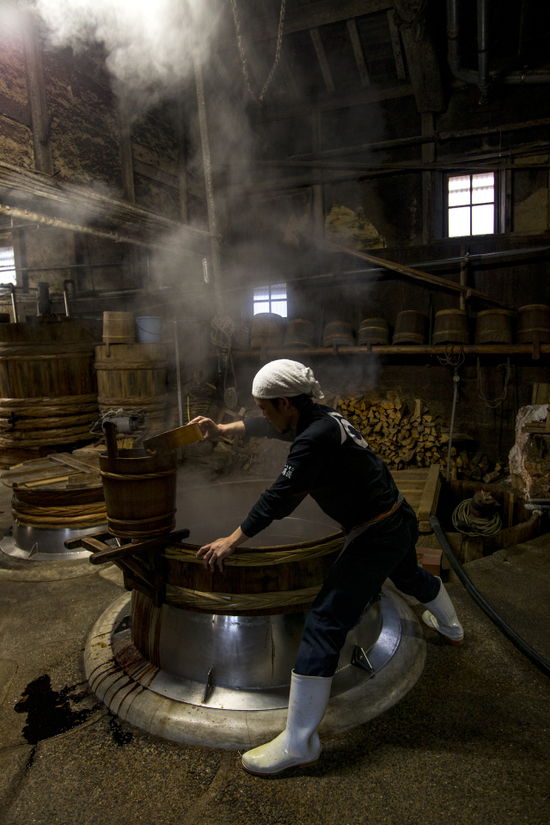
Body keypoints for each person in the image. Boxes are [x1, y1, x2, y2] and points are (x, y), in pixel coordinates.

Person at [192, 359, 463, 777]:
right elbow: (266, 427)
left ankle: (299, 742)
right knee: (408, 575)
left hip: (375, 532)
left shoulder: (313, 440)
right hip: (397, 517)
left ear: (285, 402)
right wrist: (223, 429)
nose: (262, 415)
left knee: (324, 620)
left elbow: (279, 498)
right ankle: (452, 628)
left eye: (265, 406)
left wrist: (232, 540)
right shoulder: (320, 417)